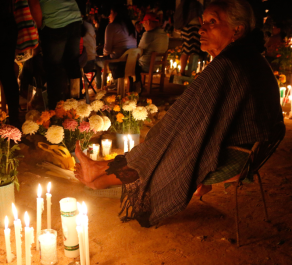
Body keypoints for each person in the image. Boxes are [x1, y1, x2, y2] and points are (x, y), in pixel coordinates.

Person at [74, 0, 283, 228]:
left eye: (212, 22)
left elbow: (192, 117)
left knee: (166, 145)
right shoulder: (245, 56)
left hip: (237, 154)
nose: (202, 29)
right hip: (253, 148)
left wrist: (172, 134)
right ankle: (101, 169)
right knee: (169, 137)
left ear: (237, 29)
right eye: (203, 22)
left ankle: (102, 178)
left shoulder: (229, 64)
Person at [28, 0, 82, 108]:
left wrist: (39, 28)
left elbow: (34, 3)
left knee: (54, 68)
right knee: (73, 64)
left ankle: (57, 111)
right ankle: (77, 109)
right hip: (74, 18)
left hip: (54, 22)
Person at [95, 4, 137, 89]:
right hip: (131, 62)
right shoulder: (131, 27)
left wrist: (103, 52)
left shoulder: (112, 26)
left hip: (117, 62)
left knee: (95, 61)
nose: (109, 16)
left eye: (111, 13)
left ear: (116, 13)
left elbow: (107, 51)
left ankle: (99, 88)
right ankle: (114, 82)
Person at [174, 0, 203, 76]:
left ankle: (182, 72)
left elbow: (179, 16)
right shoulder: (196, 4)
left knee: (185, 50)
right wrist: (203, 27)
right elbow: (200, 17)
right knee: (194, 51)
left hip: (185, 28)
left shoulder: (184, 4)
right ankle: (192, 72)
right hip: (195, 28)